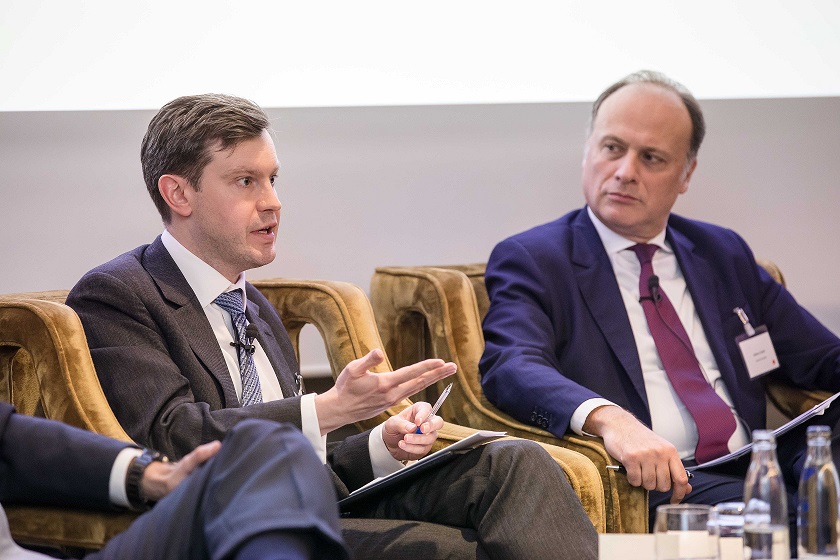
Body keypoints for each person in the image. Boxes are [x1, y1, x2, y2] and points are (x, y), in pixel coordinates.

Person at [65, 94, 597, 559]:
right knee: (464, 551)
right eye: (246, 181)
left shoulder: (254, 307)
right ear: (178, 194)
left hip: (315, 505)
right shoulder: (120, 295)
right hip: (231, 527)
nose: (272, 202)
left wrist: (382, 444)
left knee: (515, 462)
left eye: (272, 179)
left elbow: (311, 467)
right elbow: (171, 438)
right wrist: (329, 408)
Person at [479, 70, 840, 531]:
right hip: (663, 480)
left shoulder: (720, 252)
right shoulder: (536, 259)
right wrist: (611, 419)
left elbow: (820, 356)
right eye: (612, 148)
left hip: (757, 460)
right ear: (588, 150)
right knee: (793, 518)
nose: (625, 172)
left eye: (651, 157)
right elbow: (511, 365)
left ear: (686, 174)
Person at [0, 401, 349, 559]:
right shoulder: (120, 295)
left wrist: (148, 474)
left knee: (270, 445)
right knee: (273, 445)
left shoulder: (260, 311)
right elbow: (170, 431)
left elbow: (8, 440)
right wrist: (323, 409)